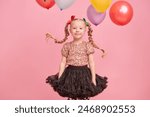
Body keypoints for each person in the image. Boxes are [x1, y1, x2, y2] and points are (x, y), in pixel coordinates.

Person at [45, 16, 108, 100]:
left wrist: (93, 78)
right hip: (70, 74)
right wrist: (60, 77)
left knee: (83, 95)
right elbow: (63, 62)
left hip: (84, 75)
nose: (77, 30)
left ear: (85, 30)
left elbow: (91, 62)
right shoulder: (67, 46)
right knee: (72, 95)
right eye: (74, 28)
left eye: (80, 28)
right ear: (70, 30)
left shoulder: (87, 45)